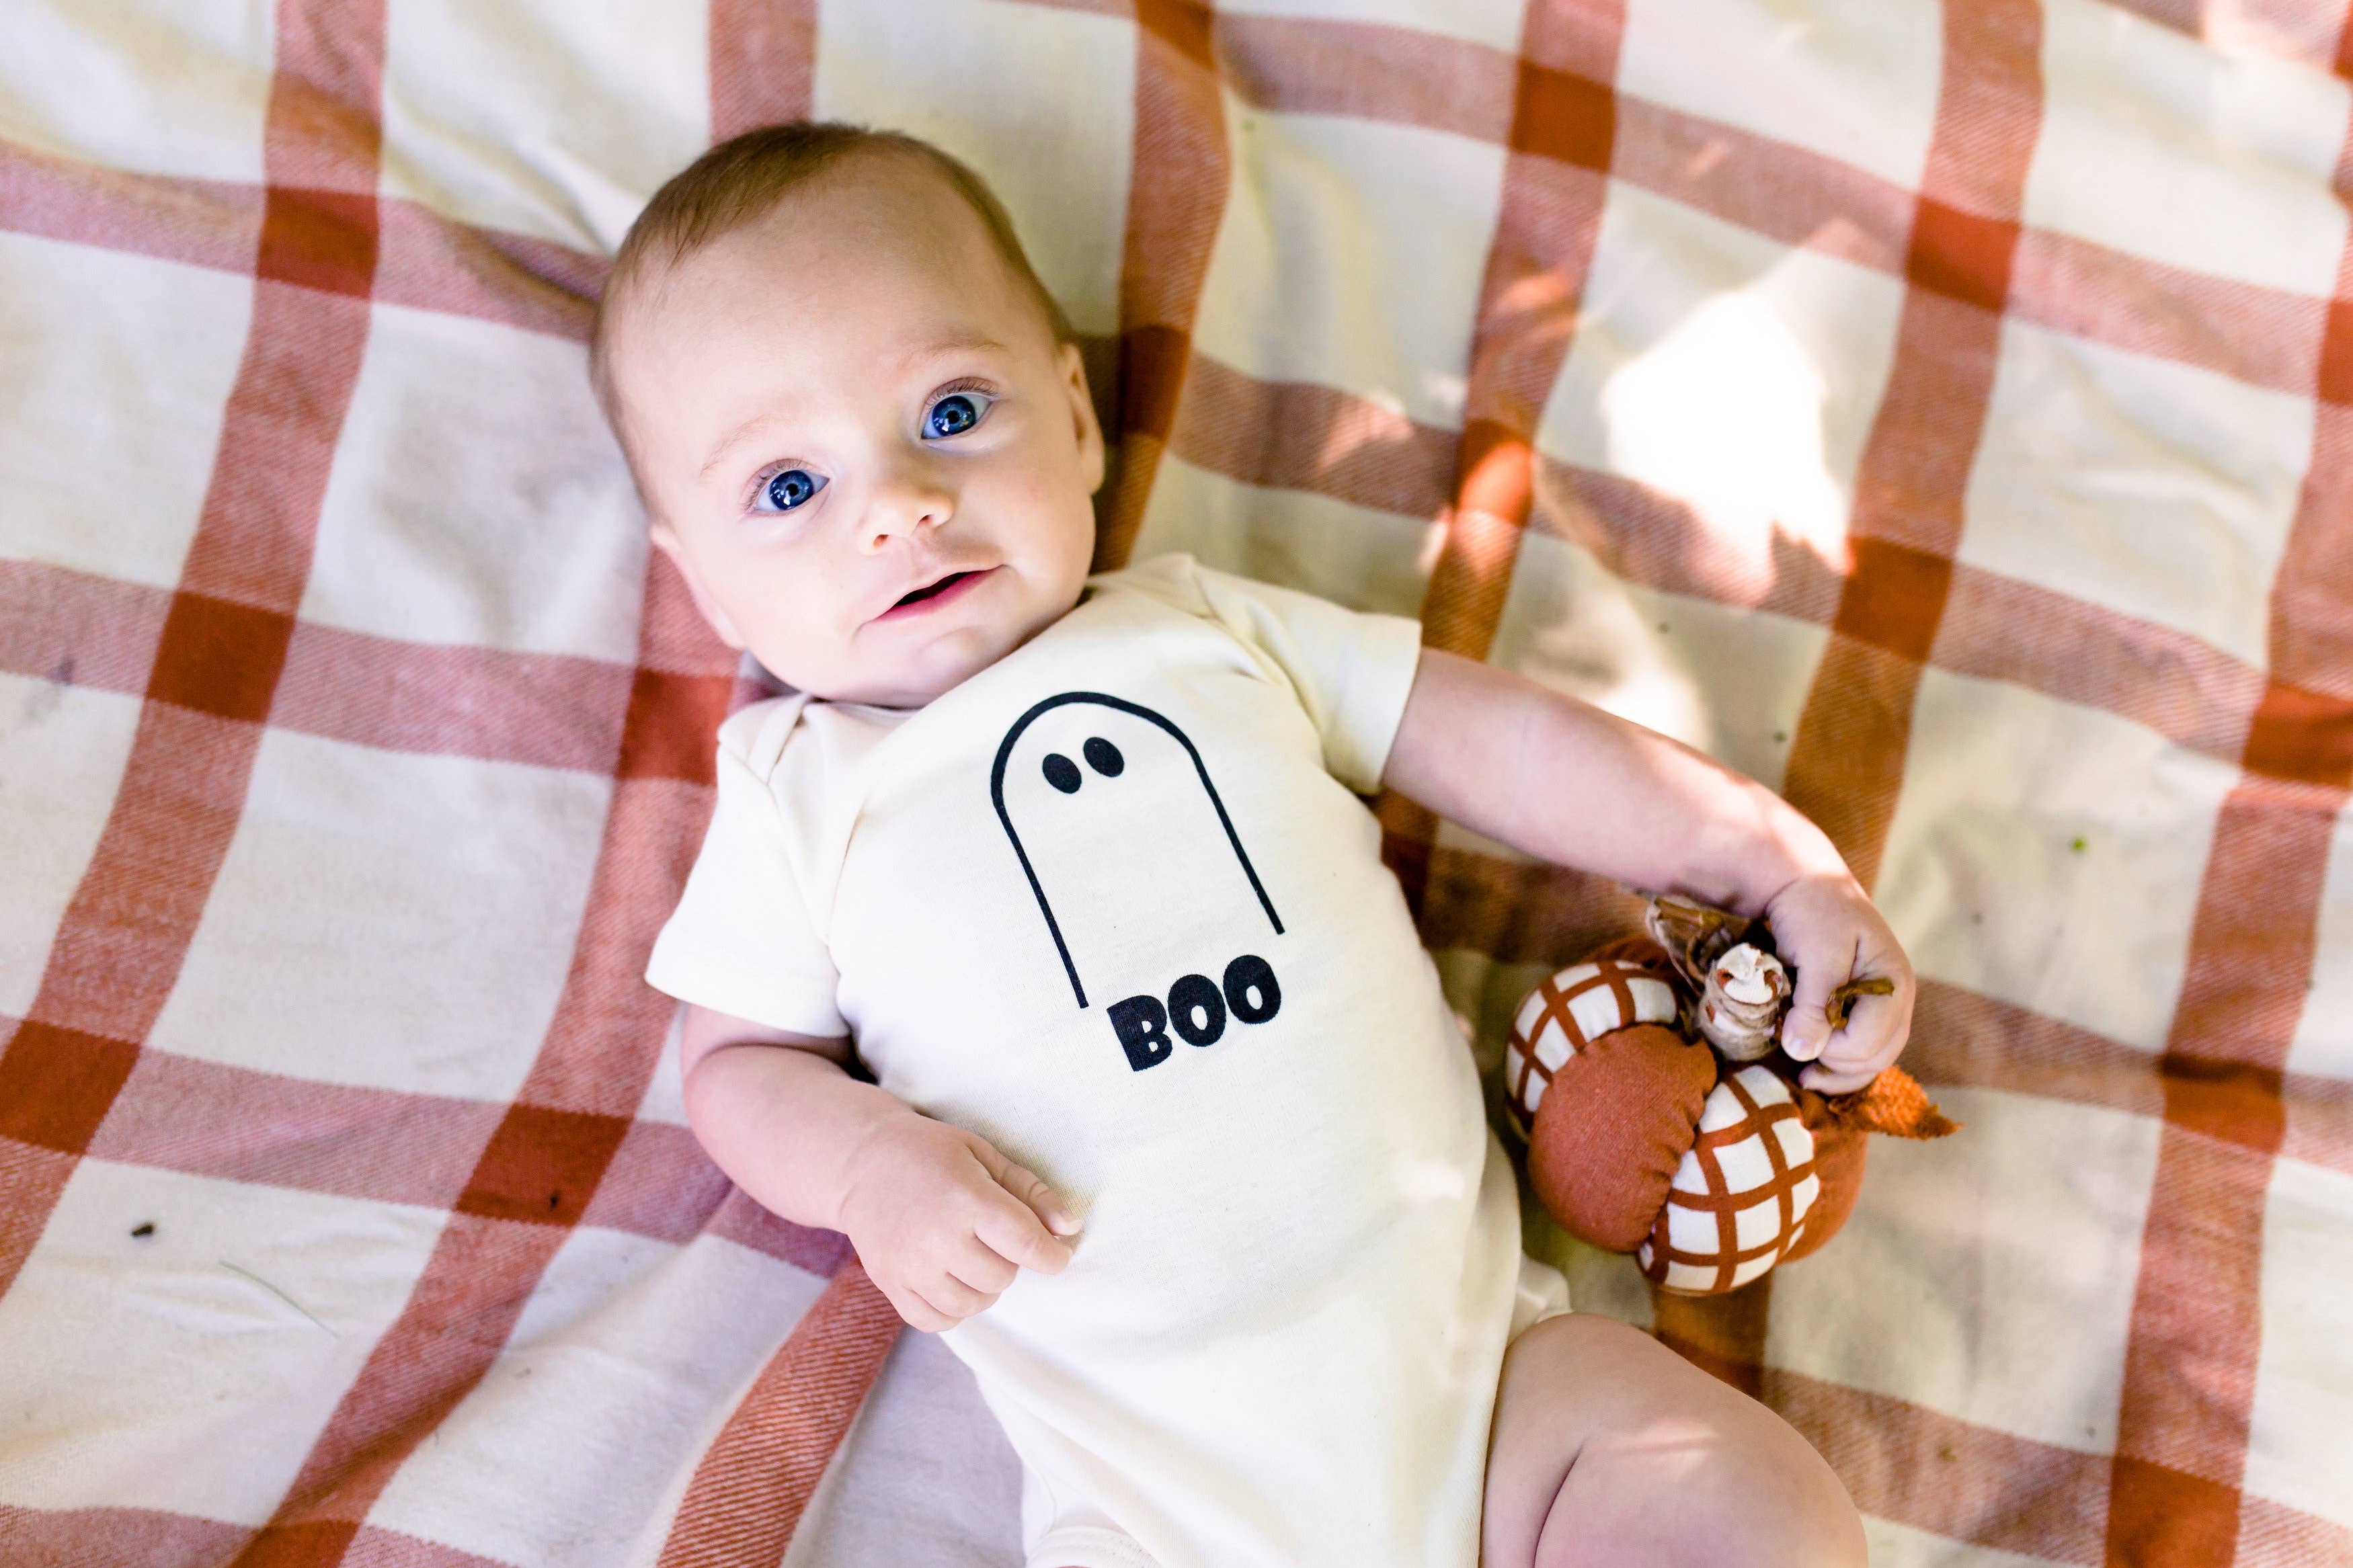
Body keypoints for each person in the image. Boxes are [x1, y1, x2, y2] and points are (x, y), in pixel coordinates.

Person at [592, 121, 1904, 1568]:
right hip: (1158, 1505)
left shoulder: (1209, 632)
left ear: (1076, 419)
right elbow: (737, 1065)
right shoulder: (797, 793)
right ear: (704, 585)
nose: (902, 505)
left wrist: (1771, 862)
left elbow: (1511, 747)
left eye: (951, 410)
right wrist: (865, 1172)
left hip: (1490, 1399)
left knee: (1756, 1513)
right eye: (789, 488)